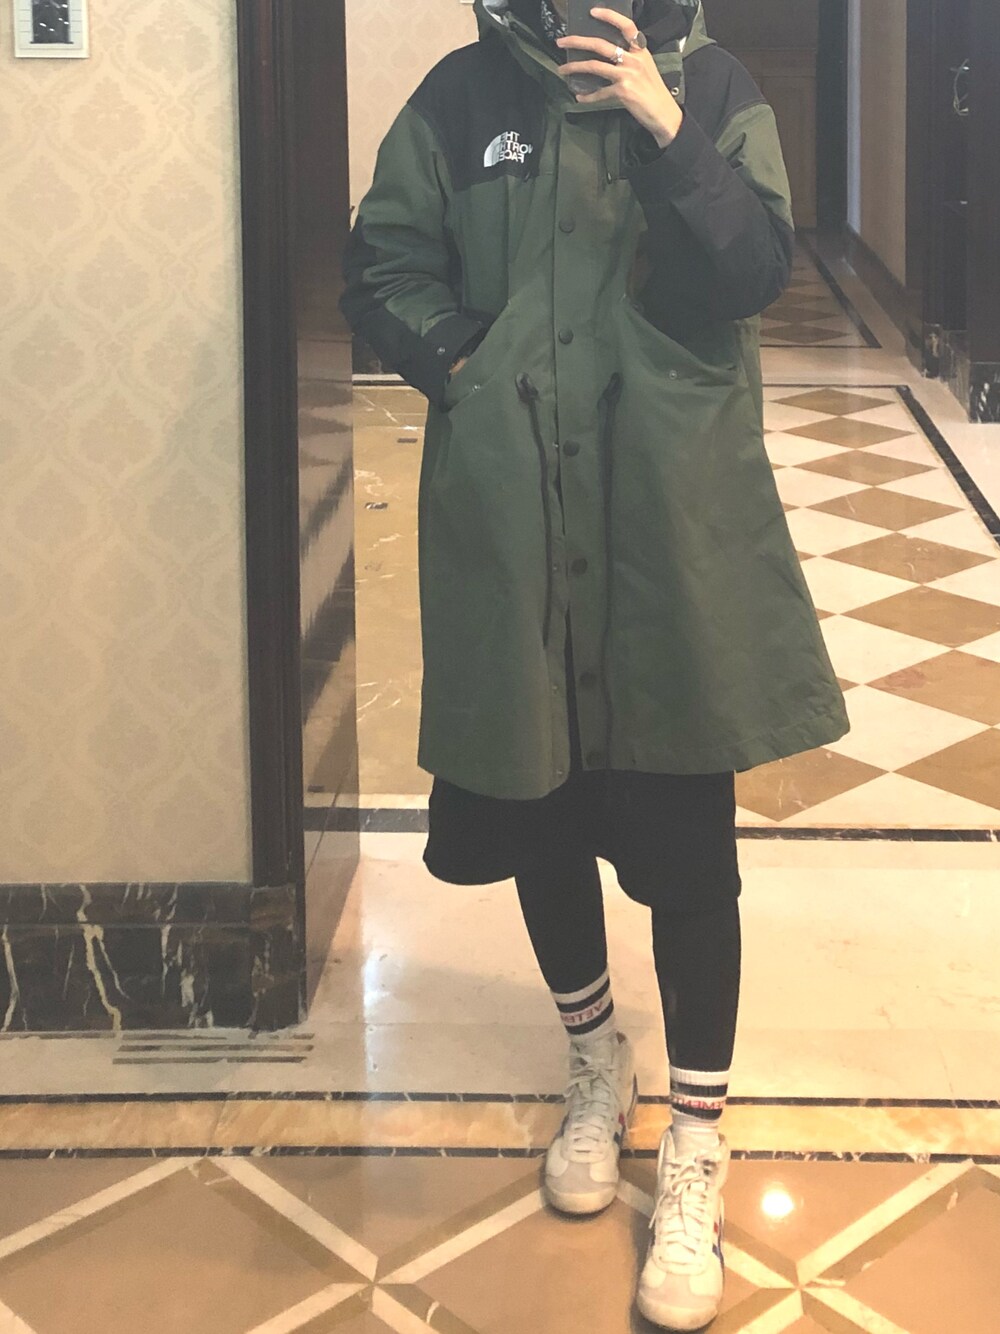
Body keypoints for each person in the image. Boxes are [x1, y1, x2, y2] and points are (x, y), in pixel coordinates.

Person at [340, 1, 849, 1327]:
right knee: (536, 802)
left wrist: (669, 133)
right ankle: (592, 1061)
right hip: (516, 514)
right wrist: (468, 359)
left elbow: (755, 271)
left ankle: (697, 1139)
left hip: (664, 526)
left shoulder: (715, 86)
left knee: (687, 842)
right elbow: (381, 263)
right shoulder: (461, 97)